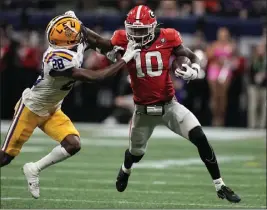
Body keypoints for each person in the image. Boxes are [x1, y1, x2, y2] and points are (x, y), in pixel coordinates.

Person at [91, 5, 241, 203]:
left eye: (140, 31)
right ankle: (126, 169)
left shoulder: (168, 36)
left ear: (152, 27)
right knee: (136, 154)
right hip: (142, 110)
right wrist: (89, 39)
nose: (136, 36)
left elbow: (190, 55)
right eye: (133, 31)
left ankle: (220, 185)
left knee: (200, 137)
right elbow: (102, 44)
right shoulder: (122, 38)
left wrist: (194, 70)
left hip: (169, 105)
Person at [0, 11, 140, 199]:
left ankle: (34, 169)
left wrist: (110, 50)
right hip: (31, 109)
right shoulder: (55, 61)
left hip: (53, 108)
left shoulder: (74, 33)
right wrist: (124, 59)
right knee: (5, 157)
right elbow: (96, 77)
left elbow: (97, 40)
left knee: (73, 144)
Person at [206, 27, 236, 126]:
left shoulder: (231, 46)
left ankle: (221, 117)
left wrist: (229, 62)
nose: (222, 37)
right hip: (214, 69)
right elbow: (208, 56)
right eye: (221, 35)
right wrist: (217, 58)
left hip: (224, 71)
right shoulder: (214, 45)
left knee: (222, 95)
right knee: (214, 95)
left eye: (224, 35)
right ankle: (215, 117)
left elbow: (235, 60)